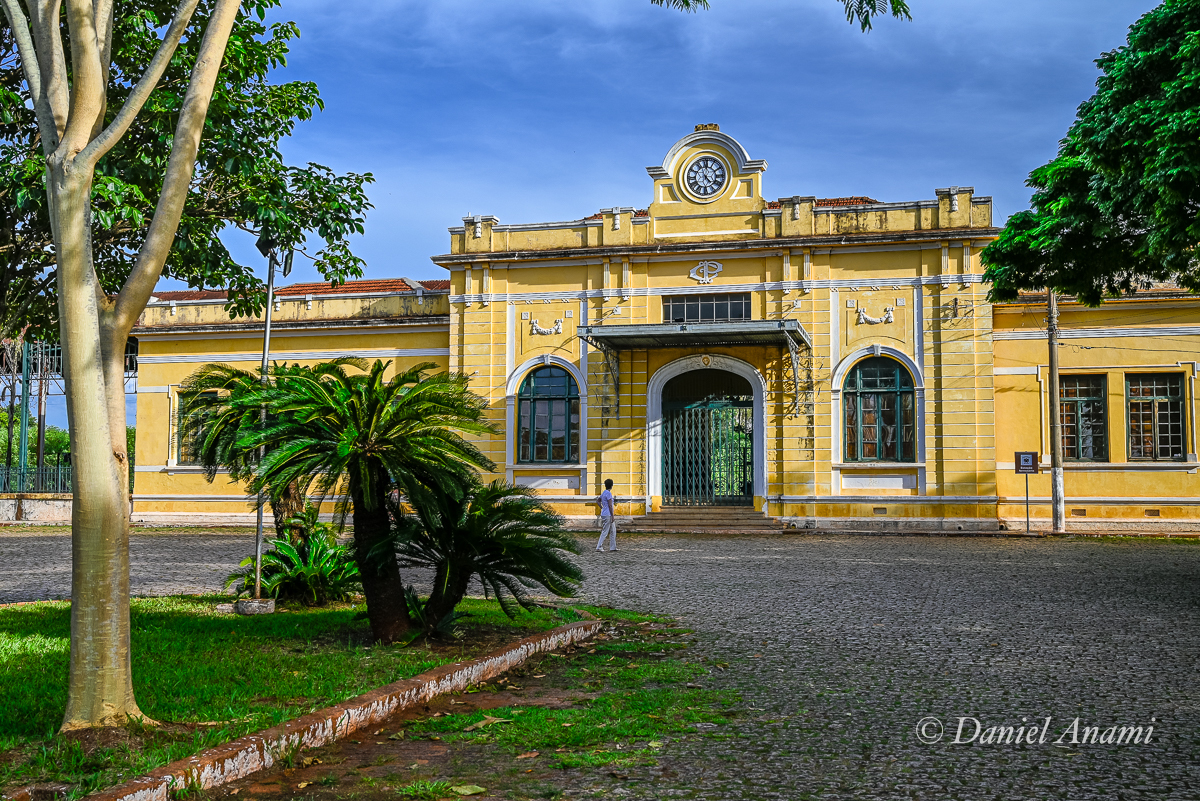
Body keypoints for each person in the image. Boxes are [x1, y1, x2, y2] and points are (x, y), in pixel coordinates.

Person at [596, 478, 617, 552]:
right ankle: (599, 546)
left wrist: (602, 507)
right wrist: (612, 516)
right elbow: (610, 505)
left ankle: (613, 547)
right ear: (611, 486)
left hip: (604, 513)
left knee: (613, 530)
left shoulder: (604, 492)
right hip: (608, 514)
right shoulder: (608, 494)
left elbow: (598, 501)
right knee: (605, 531)